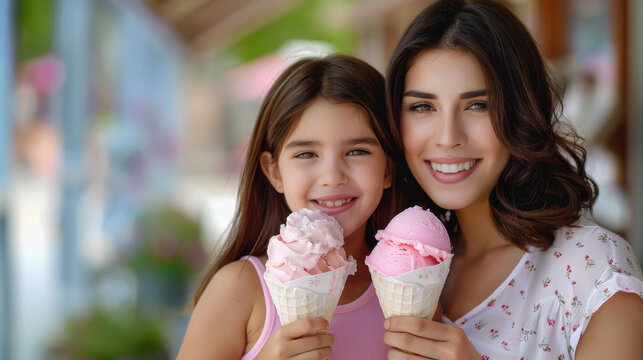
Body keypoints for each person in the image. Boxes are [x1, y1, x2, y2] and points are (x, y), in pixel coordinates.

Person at [382, 0, 643, 359]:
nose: (447, 137)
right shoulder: (391, 261)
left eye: (478, 105)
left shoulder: (592, 270)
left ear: (521, 112)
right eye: (422, 107)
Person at [177, 55, 400, 359]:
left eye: (358, 151)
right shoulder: (239, 289)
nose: (332, 177)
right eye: (306, 154)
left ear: (388, 169)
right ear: (275, 172)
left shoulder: (409, 286)